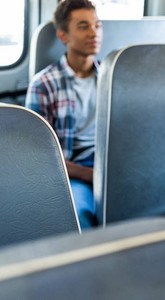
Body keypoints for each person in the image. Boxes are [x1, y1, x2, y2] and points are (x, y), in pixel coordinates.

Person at [25, 0, 102, 229]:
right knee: (81, 217)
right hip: (75, 171)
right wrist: (91, 175)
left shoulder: (113, 77)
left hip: (109, 166)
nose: (93, 33)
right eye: (83, 26)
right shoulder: (43, 85)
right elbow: (40, 157)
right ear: (63, 36)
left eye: (97, 25)